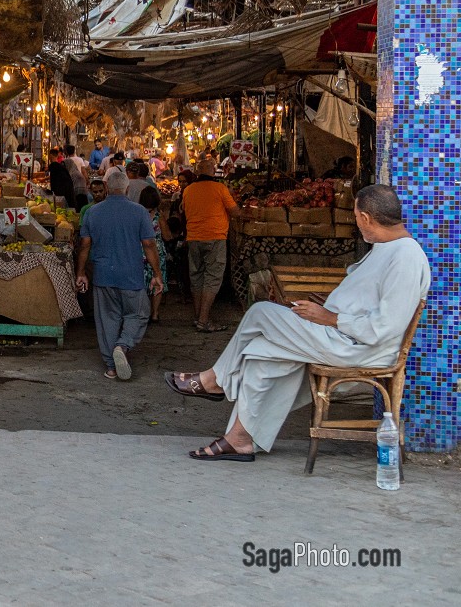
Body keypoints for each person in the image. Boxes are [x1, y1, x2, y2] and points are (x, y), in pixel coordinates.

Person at [164, 184, 429, 461]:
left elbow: (387, 327)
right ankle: (240, 439)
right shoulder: (387, 248)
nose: (355, 222)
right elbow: (367, 301)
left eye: (355, 216)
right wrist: (327, 306)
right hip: (340, 334)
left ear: (365, 218)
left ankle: (214, 380)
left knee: (260, 313)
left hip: (359, 347)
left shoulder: (406, 257)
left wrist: (330, 317)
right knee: (261, 352)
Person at [76, 171, 162, 380]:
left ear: (106, 189)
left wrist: (80, 273)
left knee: (107, 319)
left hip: (103, 274)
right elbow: (149, 244)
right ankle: (122, 346)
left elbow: (85, 245)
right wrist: (157, 274)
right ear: (127, 189)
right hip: (131, 274)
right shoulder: (139, 212)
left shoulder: (92, 212)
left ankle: (111, 367)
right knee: (139, 313)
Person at [181, 158, 242, 332]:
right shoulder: (220, 189)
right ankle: (203, 320)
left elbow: (184, 210)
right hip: (215, 237)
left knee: (197, 277)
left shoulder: (188, 190)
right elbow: (235, 212)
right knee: (212, 278)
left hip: (194, 238)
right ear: (212, 170)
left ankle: (198, 317)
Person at [139, 185, 170, 323]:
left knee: (142, 281)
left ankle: (142, 312)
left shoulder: (138, 216)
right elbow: (167, 236)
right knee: (158, 280)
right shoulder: (159, 217)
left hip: (141, 252)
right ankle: (155, 313)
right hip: (157, 252)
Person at [64, 143, 90, 209]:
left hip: (70, 182)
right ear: (74, 151)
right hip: (80, 181)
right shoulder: (79, 159)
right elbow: (83, 171)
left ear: (66, 152)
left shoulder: (65, 161)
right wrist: (87, 181)